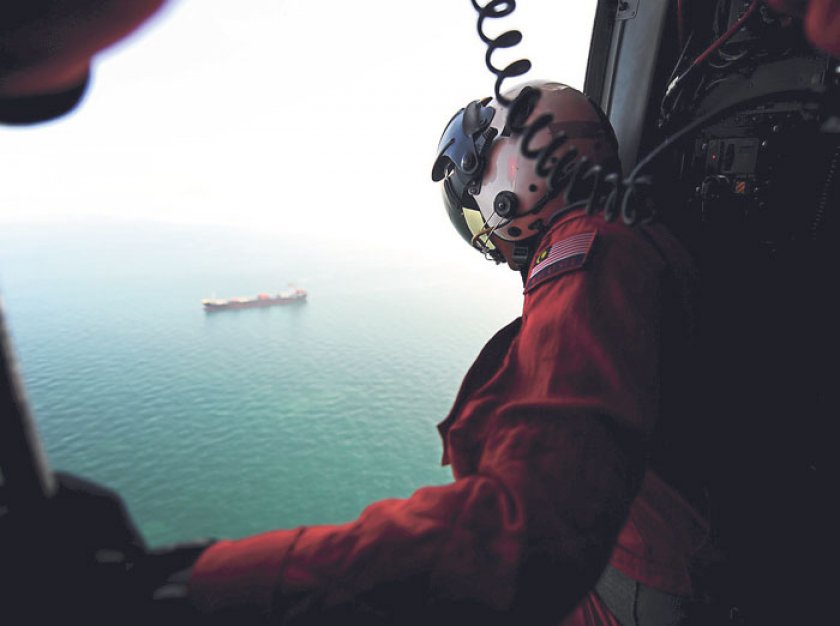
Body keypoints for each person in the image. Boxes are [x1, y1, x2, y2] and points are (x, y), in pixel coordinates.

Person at [1, 2, 837, 624]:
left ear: (514, 183)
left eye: (479, 206)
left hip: (643, 596)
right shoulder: (623, 239)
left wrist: (187, 588)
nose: (488, 235)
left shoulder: (592, 261)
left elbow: (524, 537)